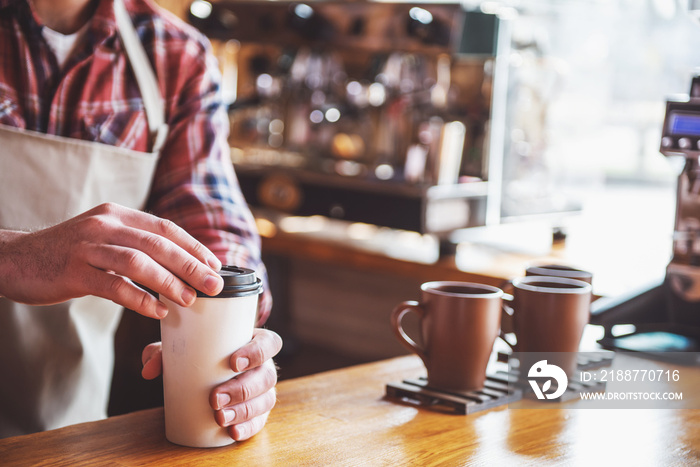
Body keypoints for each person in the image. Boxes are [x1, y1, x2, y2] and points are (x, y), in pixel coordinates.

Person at [0, 0, 282, 441]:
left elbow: (210, 221)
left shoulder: (176, 55)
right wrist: (12, 256)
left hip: (66, 432)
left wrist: (236, 336)